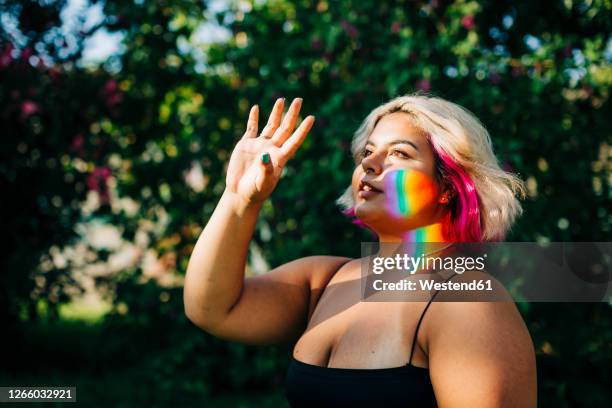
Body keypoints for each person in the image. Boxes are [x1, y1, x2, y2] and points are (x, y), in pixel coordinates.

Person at [183, 94, 537, 407]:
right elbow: (213, 308)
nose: (370, 162)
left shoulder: (470, 304)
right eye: (367, 152)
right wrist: (239, 199)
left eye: (399, 153)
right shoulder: (323, 279)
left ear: (449, 186)